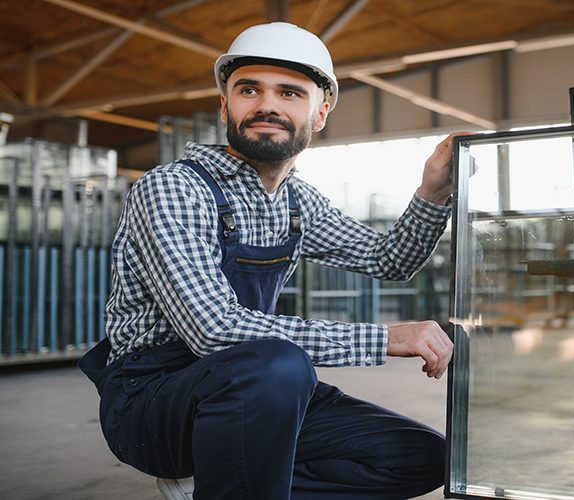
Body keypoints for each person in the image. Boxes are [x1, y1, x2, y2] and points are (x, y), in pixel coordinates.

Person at [79, 21, 462, 500]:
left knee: (423, 457)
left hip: (256, 391)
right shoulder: (174, 188)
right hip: (156, 398)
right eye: (249, 90)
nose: (267, 105)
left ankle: (219, 483)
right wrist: (384, 337)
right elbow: (213, 329)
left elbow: (388, 259)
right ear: (226, 105)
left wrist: (432, 191)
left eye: (289, 93)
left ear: (319, 113)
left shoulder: (296, 202)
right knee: (280, 365)